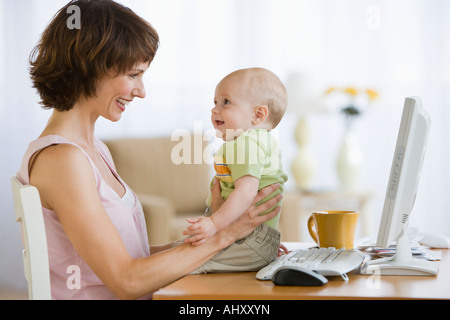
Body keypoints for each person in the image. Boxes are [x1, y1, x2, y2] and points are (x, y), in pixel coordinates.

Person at [17, 0, 282, 300]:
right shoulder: (62, 160)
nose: (141, 91)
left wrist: (239, 246)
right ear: (90, 67)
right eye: (133, 75)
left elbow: (132, 258)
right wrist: (226, 235)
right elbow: (126, 281)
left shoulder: (93, 150)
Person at [180, 68, 289, 274]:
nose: (215, 110)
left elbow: (246, 192)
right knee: (178, 251)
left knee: (182, 263)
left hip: (246, 239)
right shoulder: (258, 141)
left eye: (226, 102)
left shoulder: (246, 143)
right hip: (252, 238)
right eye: (215, 102)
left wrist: (213, 223)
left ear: (258, 114)